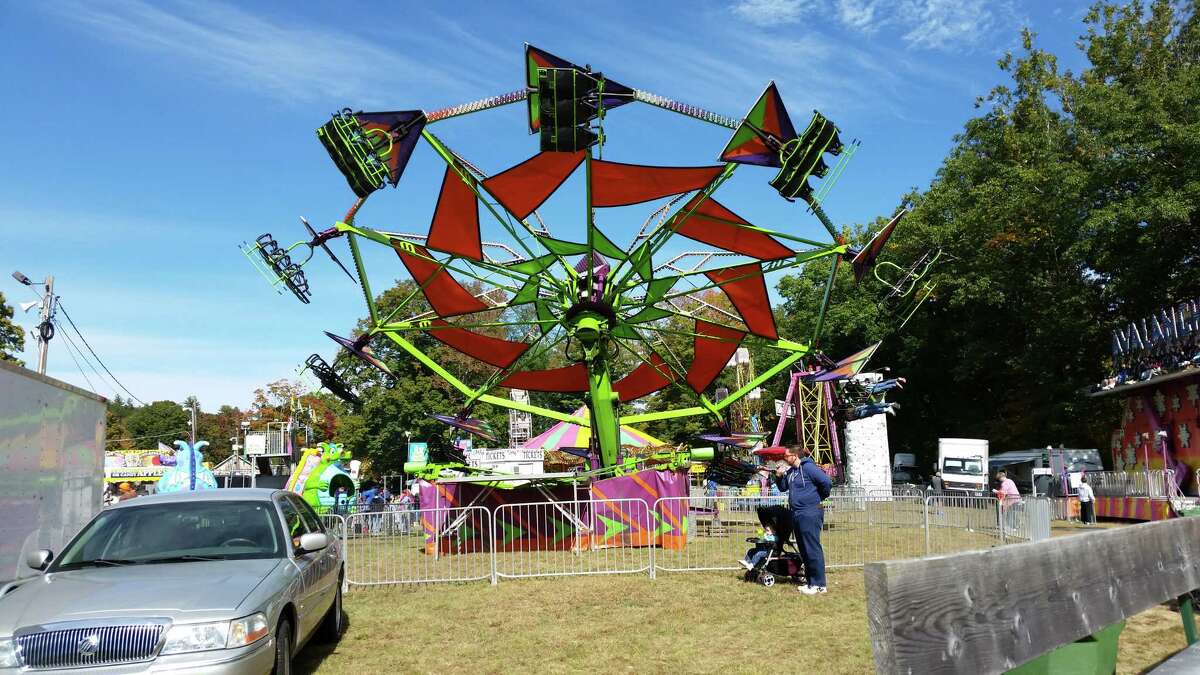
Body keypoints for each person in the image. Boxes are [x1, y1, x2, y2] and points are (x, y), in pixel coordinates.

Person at [774, 447, 832, 594]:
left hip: (810, 512)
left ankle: (819, 584)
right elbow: (782, 488)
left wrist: (819, 497)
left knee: (812, 547)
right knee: (804, 549)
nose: (784, 458)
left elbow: (826, 482)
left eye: (786, 455)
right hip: (797, 513)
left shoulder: (809, 468)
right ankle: (811, 581)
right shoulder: (792, 472)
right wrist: (779, 476)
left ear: (795, 456)